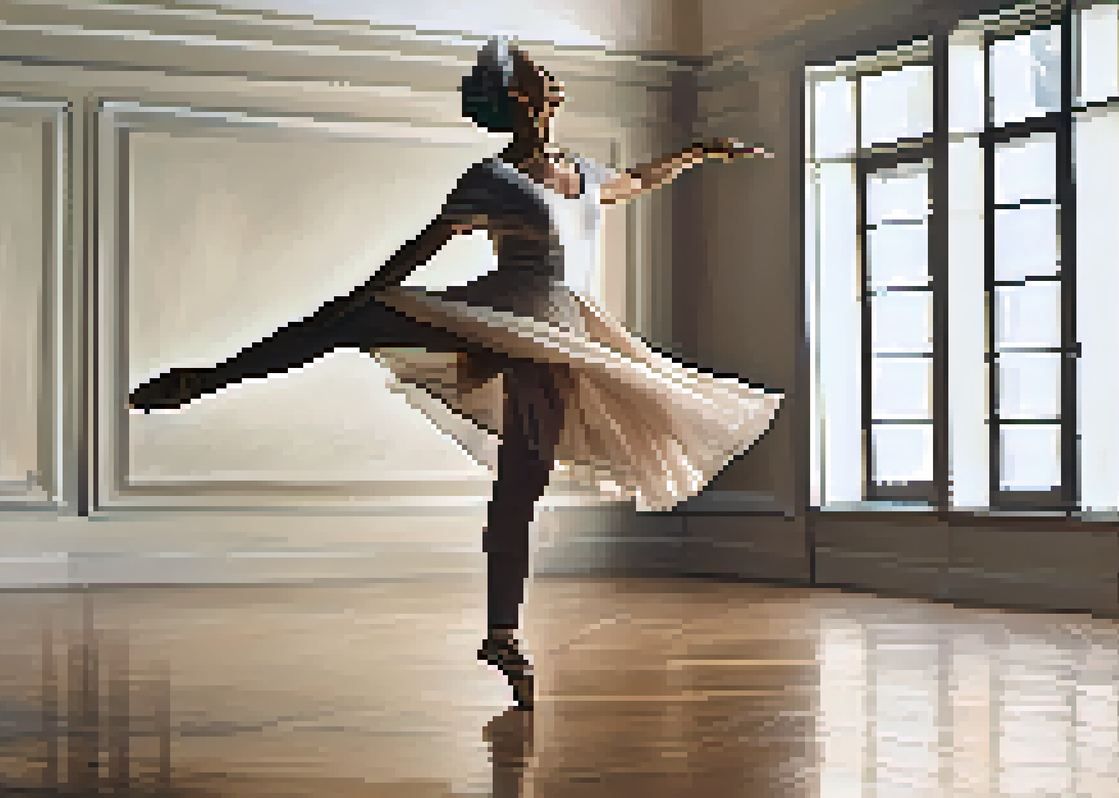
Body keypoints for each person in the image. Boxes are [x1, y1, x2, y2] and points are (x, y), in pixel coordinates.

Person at [128, 36, 783, 710]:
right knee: (346, 322)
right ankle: (205, 378)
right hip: (498, 314)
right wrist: (366, 294)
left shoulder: (583, 171)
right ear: (517, 99)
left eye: (541, 82)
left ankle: (502, 635)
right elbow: (422, 246)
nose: (544, 91)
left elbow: (638, 180)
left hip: (562, 332)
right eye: (527, 83)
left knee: (521, 485)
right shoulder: (490, 181)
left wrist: (701, 152)